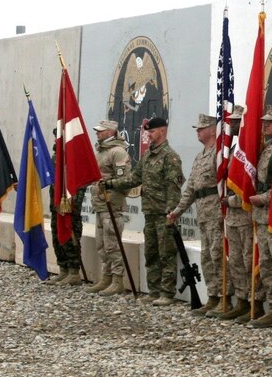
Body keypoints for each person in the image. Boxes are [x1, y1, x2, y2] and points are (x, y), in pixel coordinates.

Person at [106, 116, 185, 306]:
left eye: (152, 131)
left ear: (162, 131)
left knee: (166, 254)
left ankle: (167, 293)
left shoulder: (170, 157)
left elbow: (173, 187)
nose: (148, 135)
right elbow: (134, 178)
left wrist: (172, 212)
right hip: (150, 213)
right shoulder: (148, 155)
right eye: (148, 132)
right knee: (151, 253)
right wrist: (110, 184)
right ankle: (154, 290)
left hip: (164, 214)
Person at [167, 114, 226, 313]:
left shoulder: (219, 153)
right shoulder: (200, 156)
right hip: (203, 213)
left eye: (201, 128)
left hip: (216, 212)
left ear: (212, 130)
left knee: (217, 255)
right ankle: (212, 296)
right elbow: (191, 189)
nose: (198, 131)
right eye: (197, 128)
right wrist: (177, 212)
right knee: (207, 257)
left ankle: (224, 298)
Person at [215, 106, 254, 320]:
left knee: (249, 260)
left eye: (238, 121)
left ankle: (254, 301)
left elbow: (250, 185)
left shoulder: (251, 149)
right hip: (232, 216)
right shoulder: (231, 149)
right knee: (236, 260)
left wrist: (231, 201)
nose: (234, 125)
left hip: (246, 215)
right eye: (232, 121)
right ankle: (241, 299)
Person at [87, 120, 133, 296]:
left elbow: (125, 181)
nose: (97, 133)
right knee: (102, 245)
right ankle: (106, 278)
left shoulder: (117, 152)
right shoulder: (101, 151)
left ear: (110, 132)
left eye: (101, 131)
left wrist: (109, 187)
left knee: (112, 244)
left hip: (111, 205)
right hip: (100, 205)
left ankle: (117, 280)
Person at [247, 106, 272, 328]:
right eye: (264, 121)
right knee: (266, 263)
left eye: (271, 121)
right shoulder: (268, 147)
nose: (265, 124)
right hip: (261, 214)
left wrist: (265, 198)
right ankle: (271, 306)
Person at [47, 130, 87, 285]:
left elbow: (81, 183)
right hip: (56, 206)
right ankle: (63, 269)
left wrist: (73, 204)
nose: (56, 140)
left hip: (70, 207)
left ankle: (74, 272)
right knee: (57, 237)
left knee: (71, 238)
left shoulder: (76, 157)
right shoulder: (55, 156)